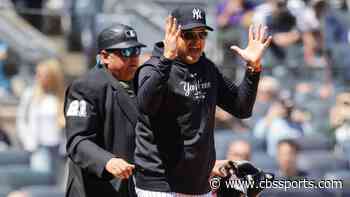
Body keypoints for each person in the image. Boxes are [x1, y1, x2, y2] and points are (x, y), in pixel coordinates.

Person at [133, 6, 271, 196]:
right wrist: (167, 58)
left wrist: (252, 68)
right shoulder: (154, 68)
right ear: (172, 34)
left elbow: (242, 108)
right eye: (189, 35)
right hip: (159, 185)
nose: (197, 42)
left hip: (198, 185)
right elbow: (146, 106)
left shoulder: (207, 68)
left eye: (202, 35)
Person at [64, 24, 146, 197]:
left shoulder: (142, 84)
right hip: (97, 187)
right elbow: (78, 140)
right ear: (105, 57)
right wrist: (106, 161)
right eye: (125, 52)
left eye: (136, 51)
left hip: (135, 187)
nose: (133, 58)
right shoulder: (86, 86)